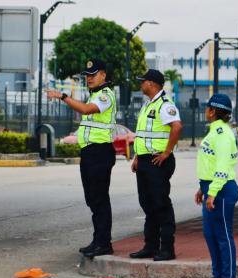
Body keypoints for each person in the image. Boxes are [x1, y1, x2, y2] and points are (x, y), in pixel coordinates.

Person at [46, 59, 117, 258]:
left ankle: (104, 243)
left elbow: (86, 110)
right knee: (92, 198)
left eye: (93, 75)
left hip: (100, 152)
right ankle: (98, 239)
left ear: (103, 74)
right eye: (87, 75)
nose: (89, 79)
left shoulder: (105, 95)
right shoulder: (93, 95)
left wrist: (62, 96)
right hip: (90, 152)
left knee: (100, 198)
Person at [129, 69, 182, 261]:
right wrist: (137, 156)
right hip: (144, 160)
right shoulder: (147, 105)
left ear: (151, 83)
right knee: (148, 205)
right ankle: (150, 246)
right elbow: (143, 135)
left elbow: (177, 126)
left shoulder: (165, 105)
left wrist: (167, 152)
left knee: (161, 205)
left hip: (158, 161)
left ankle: (167, 248)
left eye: (142, 81)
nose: (140, 84)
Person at [195, 93, 238, 278]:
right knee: (210, 234)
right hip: (212, 188)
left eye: (207, 108)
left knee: (223, 235)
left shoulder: (222, 134)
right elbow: (210, 164)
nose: (205, 111)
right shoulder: (215, 132)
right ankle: (217, 275)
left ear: (213, 111)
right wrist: (202, 188)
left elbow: (222, 167)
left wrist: (212, 192)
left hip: (221, 190)